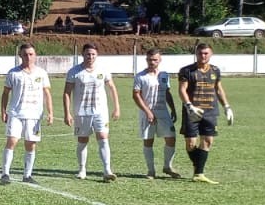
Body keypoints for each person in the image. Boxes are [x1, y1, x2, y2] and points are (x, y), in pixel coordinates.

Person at [62, 43, 121, 181]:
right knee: (83, 140)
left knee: (103, 138)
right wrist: (67, 113)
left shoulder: (103, 70)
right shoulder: (74, 72)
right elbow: (66, 93)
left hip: (100, 111)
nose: (90, 56)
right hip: (82, 111)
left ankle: (107, 170)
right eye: (88, 54)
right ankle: (82, 169)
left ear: (97, 55)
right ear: (82, 54)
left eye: (93, 54)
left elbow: (112, 88)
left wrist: (116, 107)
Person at [178, 42, 232, 184]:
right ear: (196, 54)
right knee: (190, 143)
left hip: (210, 111)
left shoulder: (215, 71)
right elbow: (182, 90)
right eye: (200, 53)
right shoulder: (186, 71)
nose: (203, 56)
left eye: (206, 53)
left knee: (207, 141)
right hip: (192, 112)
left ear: (211, 54)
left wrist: (227, 106)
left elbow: (219, 89)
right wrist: (189, 105)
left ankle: (199, 173)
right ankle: (199, 166)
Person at [0, 43, 53, 184]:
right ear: (20, 56)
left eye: (31, 54)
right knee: (12, 141)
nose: (28, 57)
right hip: (16, 113)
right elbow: (5, 93)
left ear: (35, 55)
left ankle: (27, 175)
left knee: (31, 144)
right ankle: (5, 174)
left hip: (34, 115)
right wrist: (3, 111)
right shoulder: (13, 73)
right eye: (25, 54)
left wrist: (50, 112)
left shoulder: (41, 73)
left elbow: (47, 93)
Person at [132, 48, 181, 179]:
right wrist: (147, 111)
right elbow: (136, 95)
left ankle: (167, 166)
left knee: (171, 138)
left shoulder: (164, 75)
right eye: (149, 59)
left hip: (163, 112)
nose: (152, 62)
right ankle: (151, 170)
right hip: (147, 113)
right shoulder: (140, 76)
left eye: (154, 60)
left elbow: (167, 92)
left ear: (160, 60)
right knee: (148, 141)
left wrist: (173, 109)